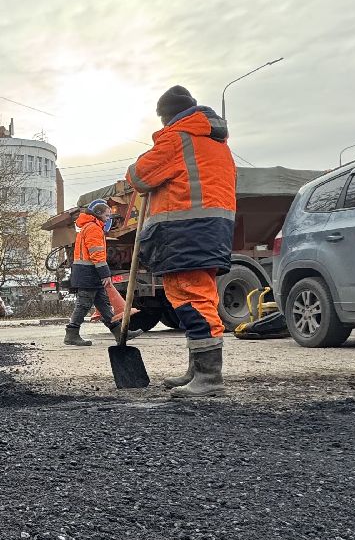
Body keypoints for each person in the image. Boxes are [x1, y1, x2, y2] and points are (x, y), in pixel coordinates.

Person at [124, 85, 237, 396]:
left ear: (166, 116)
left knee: (192, 298)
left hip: (187, 230)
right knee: (194, 296)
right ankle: (198, 369)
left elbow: (137, 177)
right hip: (209, 230)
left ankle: (209, 378)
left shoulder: (178, 139)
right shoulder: (215, 142)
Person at [63, 199, 125, 347]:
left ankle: (120, 334)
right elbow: (96, 254)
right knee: (83, 304)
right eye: (107, 215)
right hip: (88, 273)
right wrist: (105, 274)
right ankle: (71, 334)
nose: (109, 218)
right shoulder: (93, 228)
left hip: (88, 272)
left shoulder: (91, 226)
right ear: (98, 214)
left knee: (103, 305)